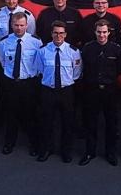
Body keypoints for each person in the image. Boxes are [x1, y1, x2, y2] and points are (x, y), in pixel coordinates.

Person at [34, 21, 82, 163]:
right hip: (48, 90)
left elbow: (76, 73)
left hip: (66, 91)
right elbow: (39, 70)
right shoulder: (42, 51)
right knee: (46, 122)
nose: (58, 35)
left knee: (67, 123)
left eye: (61, 33)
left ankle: (66, 151)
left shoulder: (73, 51)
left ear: (65, 35)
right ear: (51, 34)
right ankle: (46, 149)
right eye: (55, 32)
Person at [0, 0, 35, 132]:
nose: (11, 1)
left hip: (22, 60)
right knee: (2, 93)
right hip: (5, 56)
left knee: (23, 97)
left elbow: (30, 36)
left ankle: (22, 123)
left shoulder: (27, 15)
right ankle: (0, 122)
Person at [0, 12, 43, 156]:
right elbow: (3, 62)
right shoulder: (4, 42)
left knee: (30, 115)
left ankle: (34, 144)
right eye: (16, 25)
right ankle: (9, 143)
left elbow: (39, 63)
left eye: (22, 25)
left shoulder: (36, 42)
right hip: (11, 83)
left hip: (29, 83)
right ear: (12, 25)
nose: (18, 28)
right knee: (11, 114)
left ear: (27, 25)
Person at [79, 19, 121, 166]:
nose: (102, 35)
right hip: (92, 91)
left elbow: (120, 69)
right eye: (99, 32)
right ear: (95, 32)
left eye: (104, 32)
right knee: (91, 123)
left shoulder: (116, 49)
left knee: (111, 123)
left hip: (110, 91)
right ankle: (89, 152)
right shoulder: (87, 48)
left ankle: (110, 153)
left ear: (109, 33)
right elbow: (82, 67)